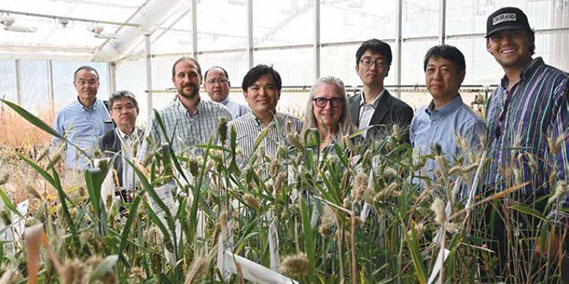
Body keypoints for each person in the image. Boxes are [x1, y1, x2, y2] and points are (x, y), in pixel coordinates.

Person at [482, 6, 569, 281]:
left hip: (538, 217)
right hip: (496, 218)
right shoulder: (496, 96)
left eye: (514, 34)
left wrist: (556, 226)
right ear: (488, 46)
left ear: (531, 38)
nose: (505, 42)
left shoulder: (558, 86)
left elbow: (567, 165)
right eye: (498, 37)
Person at [410, 45, 485, 191]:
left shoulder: (470, 125)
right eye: (431, 70)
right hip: (416, 210)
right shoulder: (419, 118)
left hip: (451, 211)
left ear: (461, 75)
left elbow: (470, 183)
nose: (436, 77)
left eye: (445, 70)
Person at [138, 56, 232, 161]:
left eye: (192, 74)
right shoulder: (159, 118)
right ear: (174, 81)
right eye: (181, 75)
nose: (187, 80)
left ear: (200, 79)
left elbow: (232, 154)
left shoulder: (221, 113)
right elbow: (145, 161)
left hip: (215, 177)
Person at [228, 64, 302, 162]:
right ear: (245, 94)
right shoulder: (232, 130)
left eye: (269, 87)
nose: (262, 93)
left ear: (278, 93)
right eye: (255, 88)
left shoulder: (297, 126)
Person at [349, 39, 413, 142]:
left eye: (380, 63)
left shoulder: (401, 111)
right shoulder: (346, 106)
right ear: (357, 68)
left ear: (387, 70)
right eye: (367, 62)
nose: (373, 68)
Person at [52, 66, 113, 170]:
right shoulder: (64, 114)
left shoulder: (110, 109)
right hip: (76, 175)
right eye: (82, 82)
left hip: (105, 171)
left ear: (98, 84)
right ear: (75, 85)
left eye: (91, 82)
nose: (87, 86)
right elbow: (57, 147)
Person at [99, 90, 143, 196]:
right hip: (119, 199)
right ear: (111, 114)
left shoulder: (147, 138)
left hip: (145, 195)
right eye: (118, 108)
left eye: (129, 106)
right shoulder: (104, 142)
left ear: (137, 110)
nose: (124, 111)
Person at [302, 76, 355, 151]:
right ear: (312, 104)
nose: (328, 107)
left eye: (335, 100)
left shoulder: (355, 143)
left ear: (343, 105)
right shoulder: (300, 143)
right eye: (321, 100)